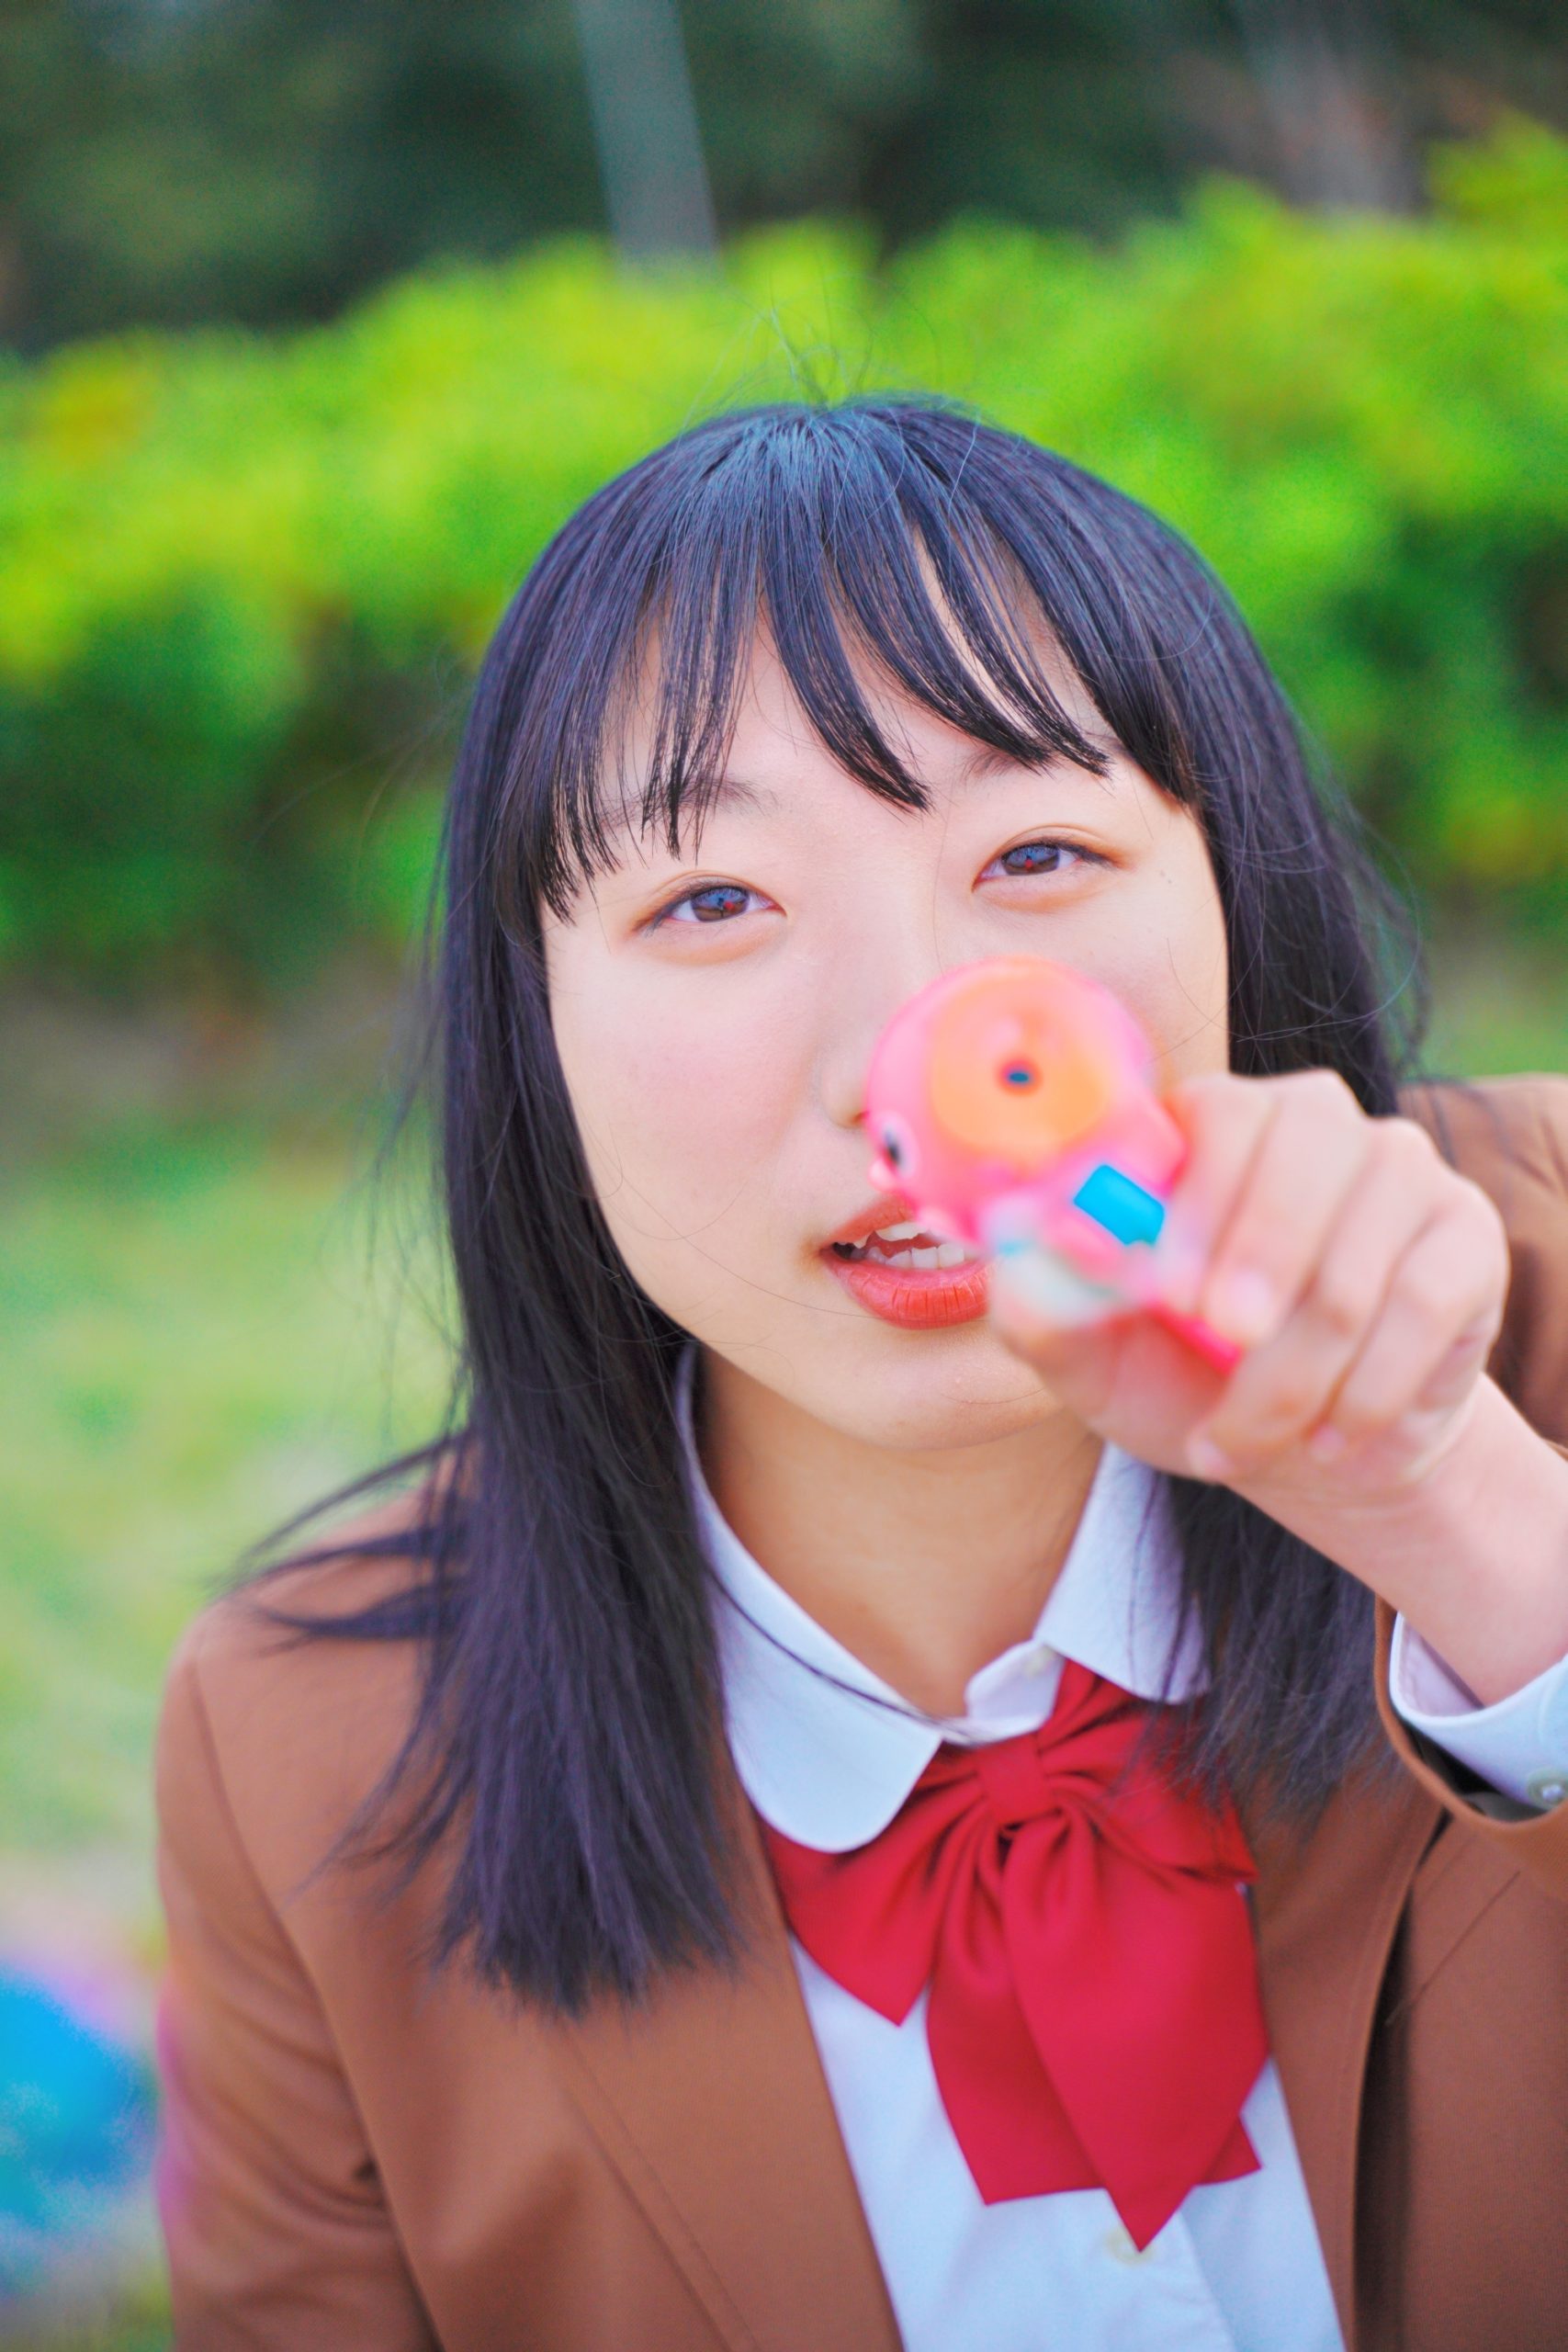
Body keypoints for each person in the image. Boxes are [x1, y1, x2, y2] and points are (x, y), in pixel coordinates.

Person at [152, 401, 1568, 2352]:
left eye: (1040, 850)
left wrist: (1453, 1511)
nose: (910, 1062)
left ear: (1234, 891)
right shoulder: (300, 1750)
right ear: (535, 1030)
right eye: (711, 901)